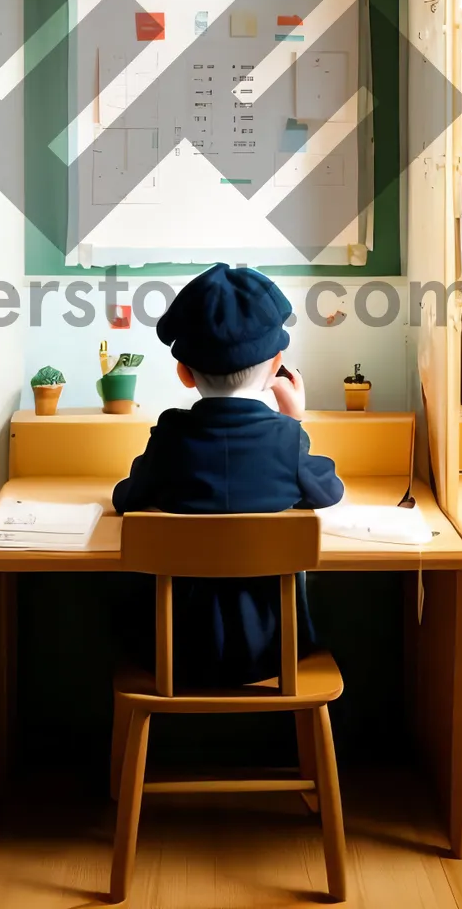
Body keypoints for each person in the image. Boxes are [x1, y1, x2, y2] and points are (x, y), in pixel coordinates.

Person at [112, 262, 344, 686]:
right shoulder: (285, 441)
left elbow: (124, 498)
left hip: (173, 653)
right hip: (274, 653)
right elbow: (330, 490)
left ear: (183, 373)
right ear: (277, 367)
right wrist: (296, 420)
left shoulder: (170, 438)